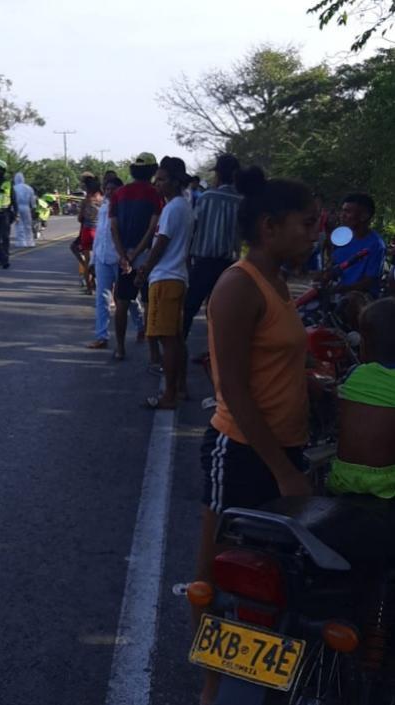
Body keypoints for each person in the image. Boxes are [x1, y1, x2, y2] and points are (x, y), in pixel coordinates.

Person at [194, 166, 318, 705]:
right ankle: (213, 687)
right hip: (243, 451)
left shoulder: (279, 282)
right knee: (215, 578)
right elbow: (236, 391)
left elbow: (275, 365)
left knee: (273, 580)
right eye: (307, 224)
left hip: (281, 448)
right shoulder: (238, 284)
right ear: (270, 227)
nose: (315, 233)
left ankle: (259, 681)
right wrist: (284, 471)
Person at [136, 156, 194, 409]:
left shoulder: (173, 208)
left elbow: (161, 243)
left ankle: (169, 395)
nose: (156, 184)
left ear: (174, 181)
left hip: (166, 277)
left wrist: (145, 270)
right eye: (156, 179)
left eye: (161, 179)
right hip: (177, 276)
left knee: (167, 339)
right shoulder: (182, 206)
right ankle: (179, 387)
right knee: (176, 338)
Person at [325, 298, 395, 498]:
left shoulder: (356, 374)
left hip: (342, 479)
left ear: (364, 345)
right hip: (387, 485)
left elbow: (341, 399)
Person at [107, 152, 162, 361]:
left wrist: (124, 256)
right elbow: (152, 227)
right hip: (147, 255)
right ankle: (153, 354)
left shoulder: (119, 194)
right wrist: (137, 253)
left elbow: (113, 228)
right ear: (152, 170)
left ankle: (120, 348)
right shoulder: (155, 194)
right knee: (149, 303)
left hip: (125, 256)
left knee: (121, 301)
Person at [182, 154, 242, 345]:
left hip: (204, 261)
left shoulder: (206, 197)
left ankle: (176, 352)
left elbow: (193, 228)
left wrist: (187, 257)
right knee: (221, 310)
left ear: (218, 175)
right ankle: (218, 353)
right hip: (229, 265)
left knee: (189, 308)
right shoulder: (241, 201)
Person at [324, 193, 385, 300]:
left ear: (364, 216)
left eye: (347, 211)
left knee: (351, 301)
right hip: (339, 290)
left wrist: (340, 289)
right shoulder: (342, 237)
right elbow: (332, 265)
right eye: (342, 210)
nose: (342, 215)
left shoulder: (376, 245)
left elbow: (369, 282)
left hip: (361, 295)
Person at [88, 176, 123, 349]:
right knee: (102, 299)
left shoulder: (123, 207)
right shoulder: (103, 207)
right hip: (102, 257)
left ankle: (140, 325)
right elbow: (99, 235)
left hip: (119, 257)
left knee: (125, 299)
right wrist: (93, 260)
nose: (109, 192)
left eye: (113, 189)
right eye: (107, 189)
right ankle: (102, 336)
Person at [71, 175, 102, 293]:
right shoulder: (103, 199)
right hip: (99, 232)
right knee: (99, 260)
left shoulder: (86, 201)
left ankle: (89, 288)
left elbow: (80, 218)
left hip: (87, 231)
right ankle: (97, 281)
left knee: (87, 261)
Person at [12, 172, 36, 248]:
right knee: (28, 225)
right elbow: (32, 200)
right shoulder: (29, 188)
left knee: (19, 225)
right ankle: (30, 242)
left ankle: (21, 242)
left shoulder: (14, 188)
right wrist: (33, 208)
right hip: (26, 208)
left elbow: (12, 199)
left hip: (17, 208)